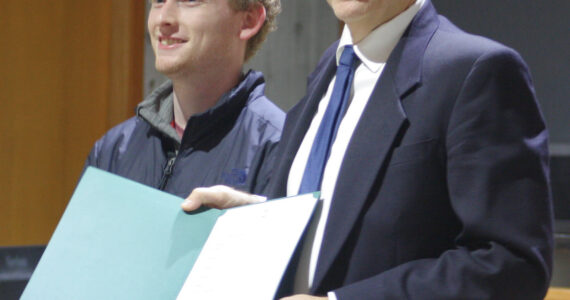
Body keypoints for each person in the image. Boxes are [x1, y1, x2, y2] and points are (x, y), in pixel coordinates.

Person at [183, 0, 553, 299]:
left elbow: (512, 264)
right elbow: (350, 215)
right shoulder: (332, 65)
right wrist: (256, 214)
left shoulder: (476, 69)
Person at [84, 0, 284, 198]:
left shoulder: (283, 149)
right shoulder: (112, 151)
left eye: (189, 1)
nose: (163, 18)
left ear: (248, 21)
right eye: (159, 1)